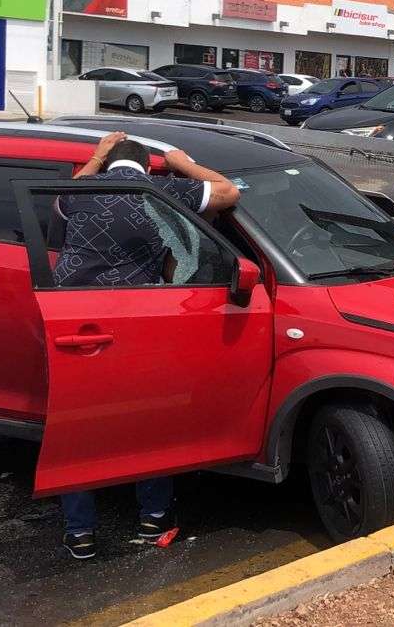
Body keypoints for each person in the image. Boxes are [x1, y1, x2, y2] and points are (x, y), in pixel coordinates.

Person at [53, 131, 241, 560]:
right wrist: (181, 162)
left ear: (108, 159)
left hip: (75, 324)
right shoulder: (158, 189)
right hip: (137, 321)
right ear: (148, 165)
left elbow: (59, 203)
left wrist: (96, 157)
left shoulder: (76, 191)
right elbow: (229, 192)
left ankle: (80, 533)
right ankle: (153, 519)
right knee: (146, 421)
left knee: (79, 428)